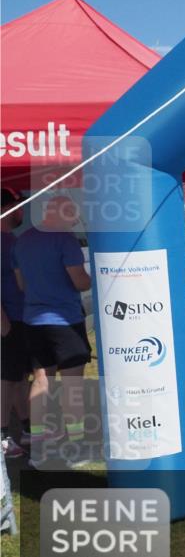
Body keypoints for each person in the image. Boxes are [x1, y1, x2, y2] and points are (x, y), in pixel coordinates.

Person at [12, 196, 92, 464]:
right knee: (72, 386)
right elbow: (80, 282)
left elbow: (21, 285)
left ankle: (38, 447)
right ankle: (77, 446)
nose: (75, 222)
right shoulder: (65, 240)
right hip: (65, 321)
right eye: (73, 216)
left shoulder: (22, 241)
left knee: (42, 381)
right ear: (63, 214)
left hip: (33, 321)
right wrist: (97, 278)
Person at [1, 189, 29, 458]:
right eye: (19, 206)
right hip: (7, 321)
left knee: (19, 377)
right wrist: (4, 324)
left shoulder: (11, 240)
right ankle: (2, 437)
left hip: (18, 319)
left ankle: (28, 429)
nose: (22, 211)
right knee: (6, 381)